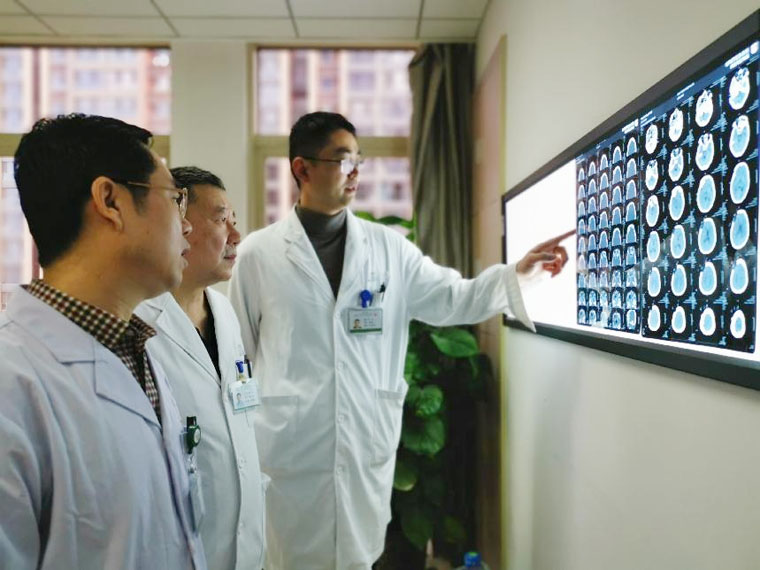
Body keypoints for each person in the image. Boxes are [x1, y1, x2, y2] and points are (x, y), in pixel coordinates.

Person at [229, 111, 570, 570]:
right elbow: (240, 356)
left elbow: (453, 298)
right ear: (302, 169)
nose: (355, 172)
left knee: (358, 556)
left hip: (363, 441)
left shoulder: (388, 249)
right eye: (342, 160)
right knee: (288, 558)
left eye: (358, 161)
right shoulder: (259, 253)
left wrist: (518, 276)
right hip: (289, 447)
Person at [0, 114, 206, 569]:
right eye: (175, 198)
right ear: (110, 201)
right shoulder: (12, 384)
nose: (187, 225)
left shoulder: (136, 350)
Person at [135, 166, 267, 570]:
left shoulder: (224, 312)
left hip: (245, 541)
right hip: (177, 545)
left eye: (235, 221)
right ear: (178, 224)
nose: (236, 235)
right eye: (221, 220)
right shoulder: (140, 322)